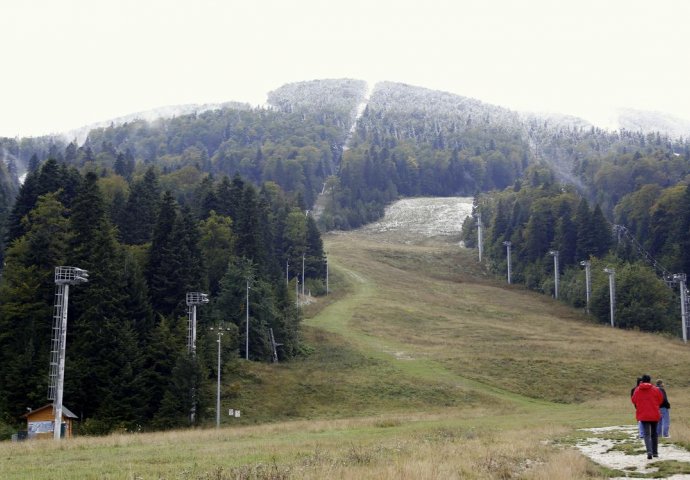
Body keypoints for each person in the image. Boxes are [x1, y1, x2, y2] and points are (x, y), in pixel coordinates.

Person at [631, 374, 664, 460]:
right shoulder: (655, 389)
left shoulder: (637, 390)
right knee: (654, 433)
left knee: (646, 434)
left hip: (643, 414)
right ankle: (655, 452)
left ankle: (649, 451)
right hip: (654, 413)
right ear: (650, 380)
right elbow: (661, 400)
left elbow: (633, 400)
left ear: (642, 381)